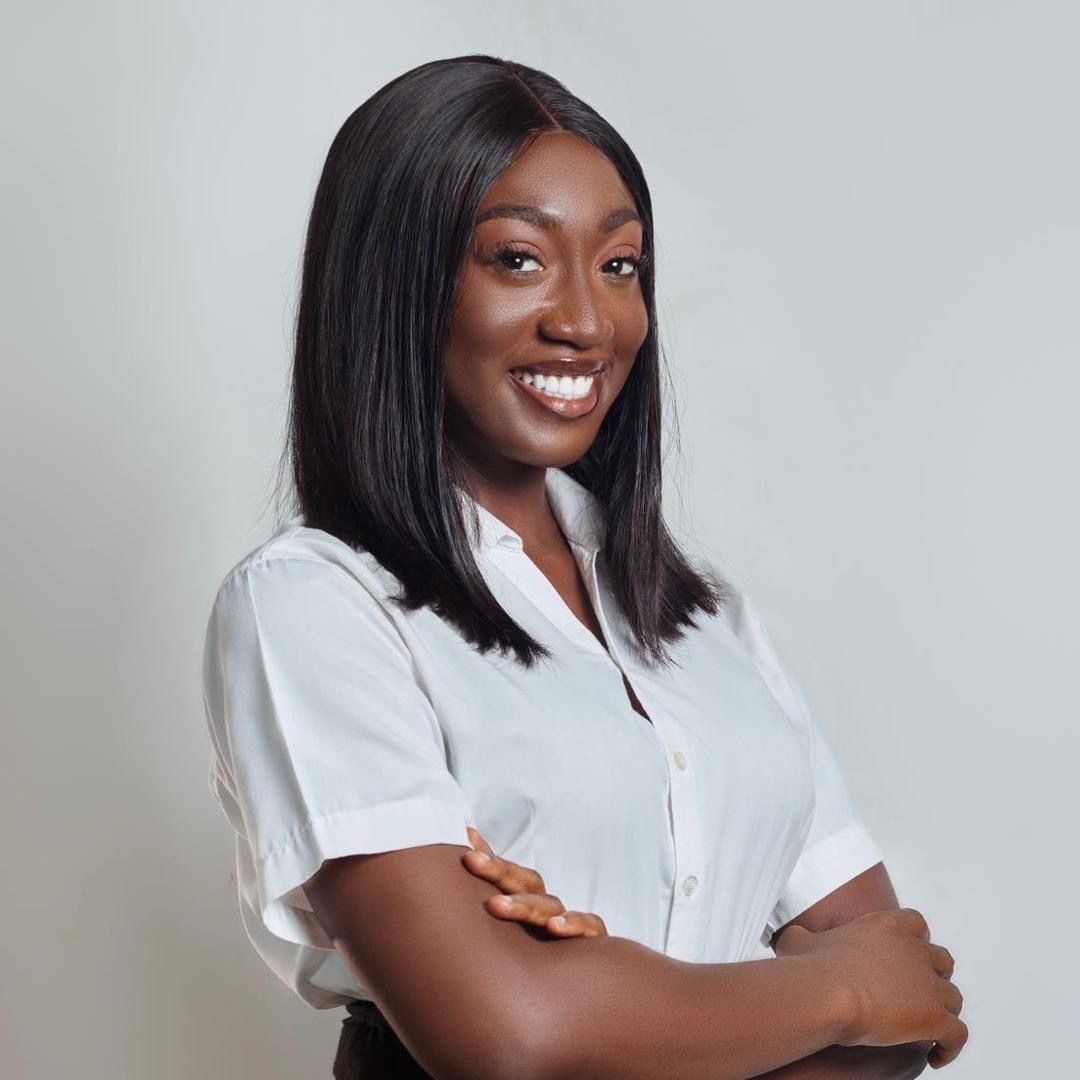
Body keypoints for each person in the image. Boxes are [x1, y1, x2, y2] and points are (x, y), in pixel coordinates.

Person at [200, 54, 967, 1079]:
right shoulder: (316, 606)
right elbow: (508, 1034)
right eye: (518, 258)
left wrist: (612, 999)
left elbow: (914, 1002)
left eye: (619, 265)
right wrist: (839, 993)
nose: (587, 322)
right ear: (395, 283)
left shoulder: (700, 613)